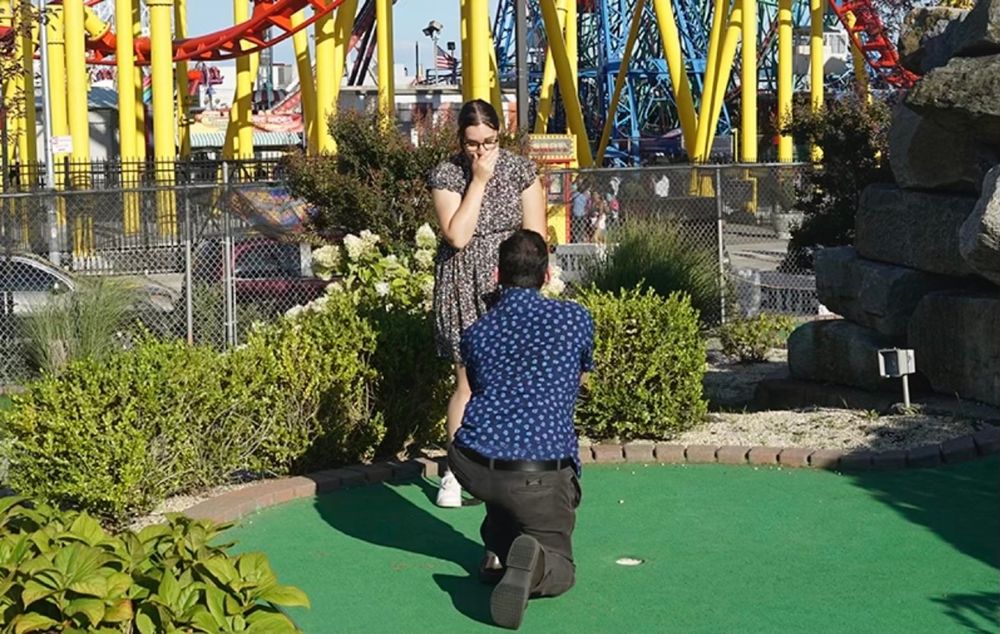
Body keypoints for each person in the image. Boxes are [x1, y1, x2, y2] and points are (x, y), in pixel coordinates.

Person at [447, 229, 594, 630]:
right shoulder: (575, 318)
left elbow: (477, 389)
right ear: (547, 276)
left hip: (473, 464)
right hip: (539, 471)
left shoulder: (475, 332)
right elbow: (580, 377)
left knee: (502, 457)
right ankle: (534, 566)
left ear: (497, 274)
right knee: (561, 567)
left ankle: (497, 551)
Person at [428, 100, 547, 508]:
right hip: (463, 279)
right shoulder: (448, 173)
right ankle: (455, 473)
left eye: (489, 142)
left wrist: (531, 288)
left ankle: (505, 462)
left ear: (501, 134)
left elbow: (535, 237)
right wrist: (477, 180)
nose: (481, 150)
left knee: (510, 379)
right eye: (472, 143)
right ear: (460, 141)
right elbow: (457, 236)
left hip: (509, 280)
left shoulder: (520, 171)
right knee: (466, 382)